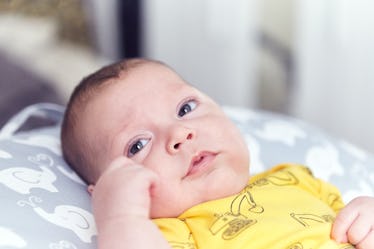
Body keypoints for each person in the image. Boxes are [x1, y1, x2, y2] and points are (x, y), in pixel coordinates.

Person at [60, 58, 374, 249]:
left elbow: (355, 229)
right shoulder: (168, 230)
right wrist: (120, 217)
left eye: (185, 108)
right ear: (106, 190)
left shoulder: (295, 178)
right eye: (138, 145)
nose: (179, 135)